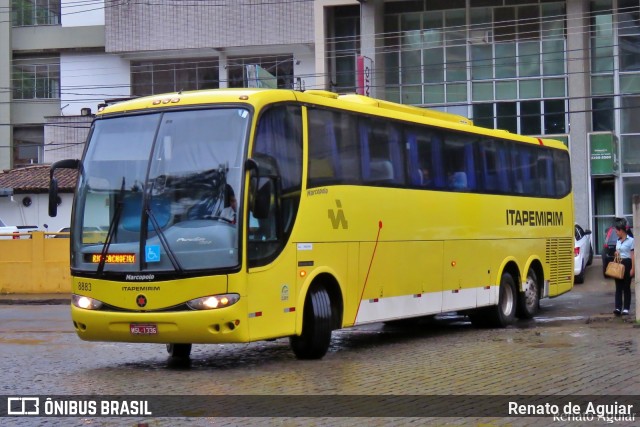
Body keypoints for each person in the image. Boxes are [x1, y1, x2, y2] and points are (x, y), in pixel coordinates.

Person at [613, 218, 635, 316]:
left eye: (617, 231)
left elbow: (633, 255)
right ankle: (618, 307)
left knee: (626, 286)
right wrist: (616, 253)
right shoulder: (618, 241)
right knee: (618, 287)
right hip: (619, 263)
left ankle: (626, 308)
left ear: (622, 230)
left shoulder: (631, 240)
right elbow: (617, 252)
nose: (616, 233)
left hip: (627, 263)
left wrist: (633, 268)